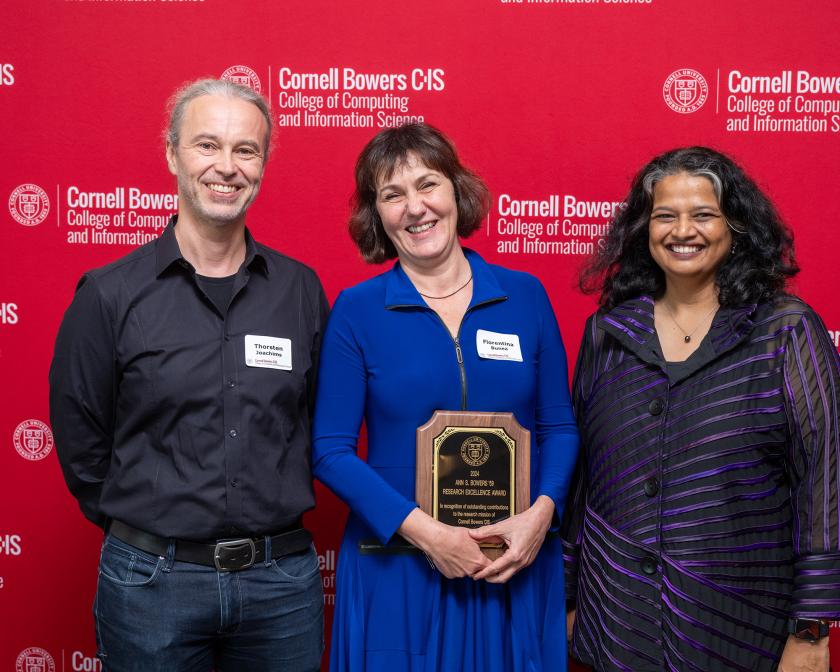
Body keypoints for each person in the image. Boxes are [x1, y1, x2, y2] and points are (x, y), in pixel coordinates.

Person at [49, 78, 328, 671]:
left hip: (280, 584)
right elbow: (82, 443)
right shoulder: (109, 294)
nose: (226, 167)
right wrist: (152, 528)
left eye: (245, 150)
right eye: (207, 145)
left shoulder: (300, 291)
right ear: (173, 154)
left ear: (262, 165)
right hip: (151, 584)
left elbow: (314, 419)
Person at [311, 122, 579, 671]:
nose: (415, 207)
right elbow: (330, 450)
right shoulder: (357, 310)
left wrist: (540, 518)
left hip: (511, 562)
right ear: (377, 215)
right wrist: (428, 534)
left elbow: (559, 427)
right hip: (399, 563)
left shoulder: (525, 296)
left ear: (457, 192)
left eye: (427, 184)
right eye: (392, 194)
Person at [562, 146, 839, 672]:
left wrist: (812, 629)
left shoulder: (785, 330)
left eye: (703, 215)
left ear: (736, 227)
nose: (681, 230)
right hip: (617, 621)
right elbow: (582, 486)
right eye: (665, 215)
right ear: (645, 229)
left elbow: (822, 479)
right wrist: (566, 597)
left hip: (740, 627)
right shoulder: (609, 334)